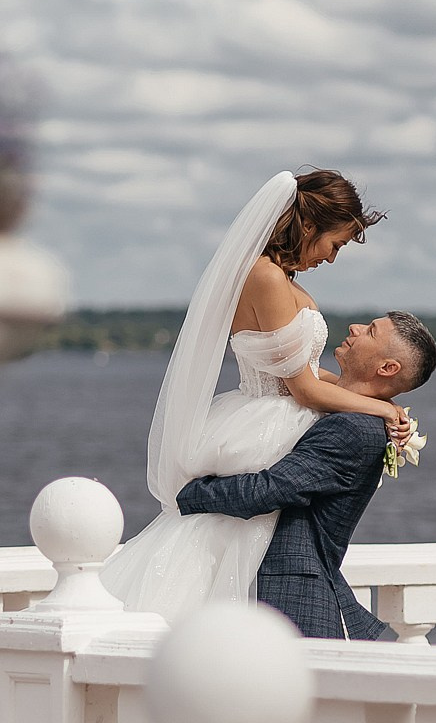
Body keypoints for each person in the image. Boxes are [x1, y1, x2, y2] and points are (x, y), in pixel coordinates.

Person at [100, 169, 411, 620]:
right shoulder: (264, 277)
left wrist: (372, 405)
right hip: (268, 422)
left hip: (277, 411)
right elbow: (302, 389)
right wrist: (381, 406)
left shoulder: (283, 281)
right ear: (309, 227)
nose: (331, 257)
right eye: (335, 244)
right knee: (239, 536)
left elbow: (302, 373)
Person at [175, 311, 436, 723]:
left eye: (372, 331)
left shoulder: (354, 433)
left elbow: (269, 490)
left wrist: (187, 495)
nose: (357, 328)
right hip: (272, 593)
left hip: (292, 597)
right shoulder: (350, 412)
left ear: (386, 368)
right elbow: (303, 381)